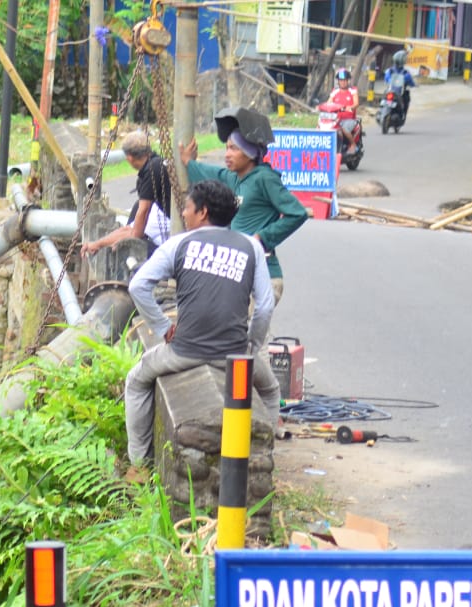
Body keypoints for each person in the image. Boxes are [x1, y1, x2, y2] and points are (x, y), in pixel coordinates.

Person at [124, 180, 280, 469]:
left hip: (183, 352)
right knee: (270, 391)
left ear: (203, 211)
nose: (183, 214)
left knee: (135, 381)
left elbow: (138, 287)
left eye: (187, 208)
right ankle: (265, 461)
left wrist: (161, 327)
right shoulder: (251, 247)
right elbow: (265, 306)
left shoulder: (179, 244)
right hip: (234, 356)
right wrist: (251, 346)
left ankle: (139, 463)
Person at [180, 107, 308, 303]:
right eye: (226, 148)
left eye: (234, 148)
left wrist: (262, 237)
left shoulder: (265, 178)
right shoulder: (234, 178)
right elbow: (210, 173)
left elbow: (297, 213)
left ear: (250, 153)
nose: (227, 154)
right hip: (239, 273)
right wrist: (189, 163)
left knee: (241, 329)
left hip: (264, 275)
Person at [79, 130, 172, 256]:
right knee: (128, 229)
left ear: (129, 157)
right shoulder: (156, 162)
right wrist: (98, 244)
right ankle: (96, 245)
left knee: (132, 231)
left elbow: (143, 212)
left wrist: (131, 240)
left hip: (168, 218)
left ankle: (96, 245)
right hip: (166, 212)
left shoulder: (151, 170)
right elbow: (128, 229)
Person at [327, 68, 361, 155]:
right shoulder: (335, 91)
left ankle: (353, 144)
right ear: (338, 81)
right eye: (341, 80)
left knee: (344, 129)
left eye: (345, 80)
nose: (343, 82)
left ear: (348, 81)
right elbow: (328, 103)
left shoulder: (353, 90)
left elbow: (356, 103)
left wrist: (348, 107)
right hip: (336, 119)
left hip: (349, 119)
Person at [383, 50, 416, 117]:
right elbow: (411, 83)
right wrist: (414, 85)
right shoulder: (405, 73)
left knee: (384, 96)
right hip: (399, 93)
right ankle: (403, 115)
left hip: (390, 91)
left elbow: (386, 79)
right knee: (406, 98)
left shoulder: (389, 71)